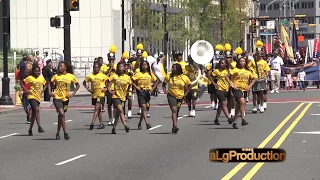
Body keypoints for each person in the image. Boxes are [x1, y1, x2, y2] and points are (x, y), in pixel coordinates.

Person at [48, 61, 80, 140]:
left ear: (65, 67)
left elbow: (78, 85)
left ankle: (58, 133)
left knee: (61, 116)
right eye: (59, 66)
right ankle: (65, 133)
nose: (59, 67)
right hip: (57, 98)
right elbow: (49, 83)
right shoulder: (56, 76)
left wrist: (72, 94)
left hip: (65, 99)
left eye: (61, 66)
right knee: (62, 113)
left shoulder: (71, 76)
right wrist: (49, 92)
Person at [162, 63, 192, 134]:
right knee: (174, 110)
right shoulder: (169, 75)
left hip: (180, 97)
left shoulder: (183, 77)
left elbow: (190, 85)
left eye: (174, 68)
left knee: (176, 111)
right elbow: (164, 83)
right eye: (172, 68)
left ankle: (174, 125)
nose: (173, 69)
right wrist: (164, 90)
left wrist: (185, 94)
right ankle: (175, 126)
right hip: (171, 95)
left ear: (178, 69)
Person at [228, 57, 256, 129]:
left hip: (245, 89)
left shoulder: (248, 71)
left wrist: (249, 86)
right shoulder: (235, 70)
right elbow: (226, 76)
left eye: (243, 61)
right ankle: (243, 119)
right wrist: (231, 84)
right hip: (237, 89)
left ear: (245, 63)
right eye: (240, 61)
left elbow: (254, 78)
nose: (241, 63)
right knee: (242, 102)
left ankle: (234, 121)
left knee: (238, 105)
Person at [132, 59, 159, 130]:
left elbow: (157, 81)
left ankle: (140, 123)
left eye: (146, 65)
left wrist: (152, 89)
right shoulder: (138, 74)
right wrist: (136, 88)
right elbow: (131, 81)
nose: (144, 67)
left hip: (147, 92)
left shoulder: (150, 74)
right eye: (143, 65)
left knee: (145, 109)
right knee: (143, 107)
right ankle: (147, 123)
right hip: (141, 92)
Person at [20, 65, 47, 136]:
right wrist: (26, 90)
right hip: (31, 96)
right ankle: (39, 127)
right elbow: (21, 82)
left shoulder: (41, 78)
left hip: (38, 97)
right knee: (37, 109)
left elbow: (46, 84)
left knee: (34, 114)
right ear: (33, 71)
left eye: (38, 71)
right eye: (35, 71)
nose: (37, 72)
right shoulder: (30, 78)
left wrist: (42, 91)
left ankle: (30, 129)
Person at [106, 62, 131, 134]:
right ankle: (125, 126)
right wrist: (110, 91)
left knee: (117, 114)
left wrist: (127, 92)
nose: (121, 68)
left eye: (122, 67)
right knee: (120, 110)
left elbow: (130, 84)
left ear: (124, 68)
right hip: (115, 96)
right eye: (119, 66)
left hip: (123, 96)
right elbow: (108, 84)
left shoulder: (127, 77)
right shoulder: (114, 76)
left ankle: (113, 128)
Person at [83, 62, 108, 130]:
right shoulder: (90, 76)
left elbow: (109, 82)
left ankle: (92, 122)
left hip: (101, 94)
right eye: (94, 67)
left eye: (97, 67)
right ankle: (101, 123)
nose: (95, 69)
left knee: (97, 108)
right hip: (94, 95)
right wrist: (89, 90)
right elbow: (84, 83)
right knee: (98, 109)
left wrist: (106, 88)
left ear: (99, 68)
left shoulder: (102, 75)